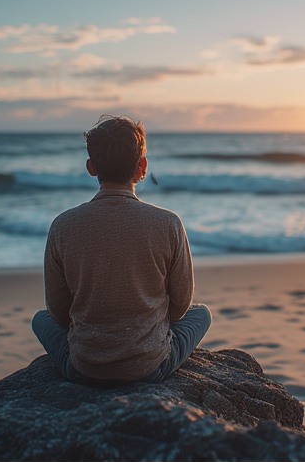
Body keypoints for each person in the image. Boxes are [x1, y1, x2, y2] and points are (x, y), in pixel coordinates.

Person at [31, 114, 211, 387]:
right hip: (150, 367)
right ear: (143, 167)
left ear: (91, 167)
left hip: (84, 368)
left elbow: (57, 310)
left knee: (40, 319)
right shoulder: (168, 223)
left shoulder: (63, 226)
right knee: (202, 313)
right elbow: (181, 305)